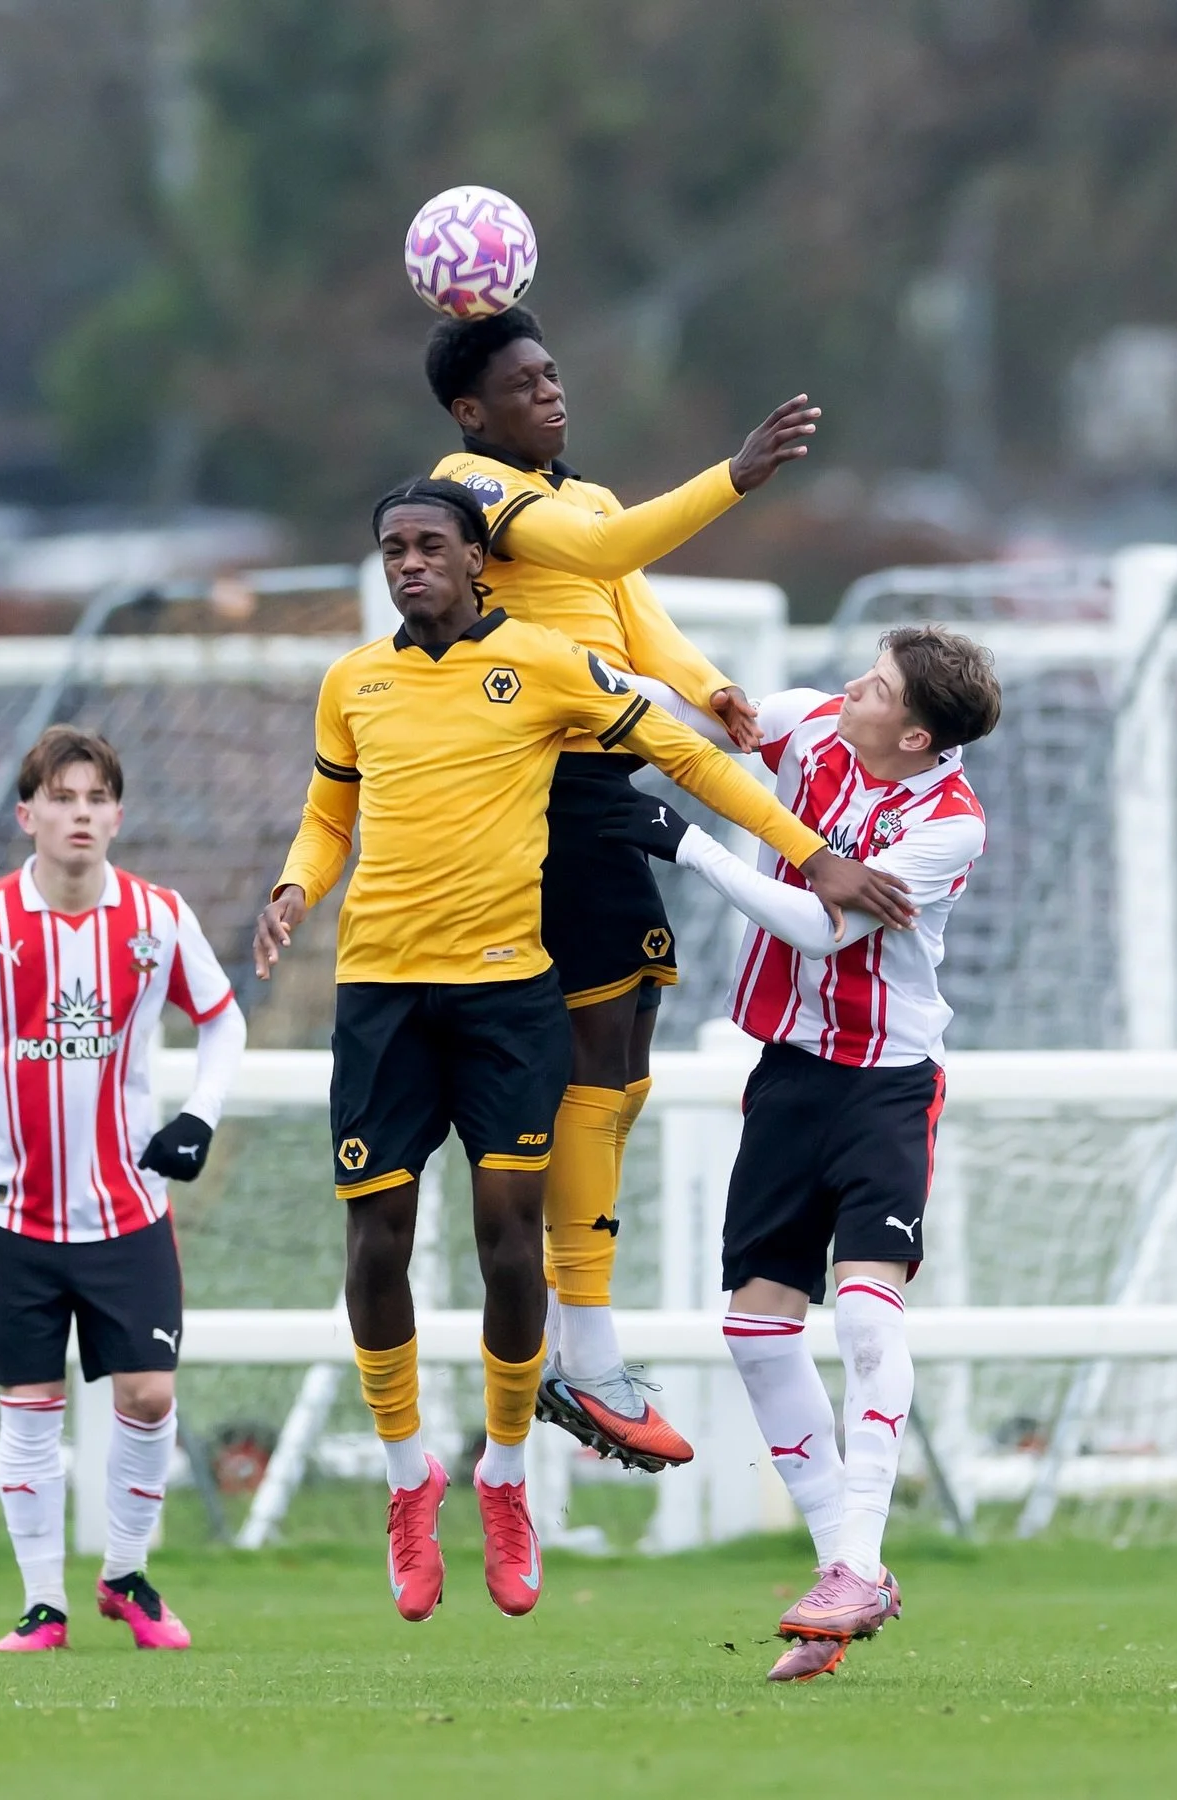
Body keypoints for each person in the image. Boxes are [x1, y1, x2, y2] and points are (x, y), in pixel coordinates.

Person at [253, 479, 911, 1624]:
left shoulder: (550, 666)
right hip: (381, 994)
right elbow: (330, 814)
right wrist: (294, 886)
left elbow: (691, 756)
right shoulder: (353, 680)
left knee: (511, 1243)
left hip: (508, 994)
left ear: (476, 562)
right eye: (394, 550)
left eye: (430, 547)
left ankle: (505, 1477)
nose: (410, 565)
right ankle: (413, 1481)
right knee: (376, 1242)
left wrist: (813, 855)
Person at [426, 305, 825, 1471]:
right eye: (525, 380)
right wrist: (734, 478)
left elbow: (633, 603)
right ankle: (580, 1355)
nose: (552, 393)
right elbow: (600, 560)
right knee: (580, 1062)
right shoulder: (471, 486)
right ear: (470, 409)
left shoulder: (582, 491)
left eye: (555, 373)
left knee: (621, 1059)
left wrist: (712, 687)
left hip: (604, 789)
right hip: (540, 785)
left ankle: (577, 1347)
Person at [600, 625, 1001, 1682]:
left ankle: (859, 1561)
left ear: (912, 733)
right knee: (756, 1331)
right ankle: (842, 1577)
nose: (847, 688)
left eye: (873, 685)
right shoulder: (815, 727)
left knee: (867, 1311)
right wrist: (585, 673)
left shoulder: (947, 825)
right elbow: (692, 718)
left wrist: (682, 841)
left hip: (886, 1082)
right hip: (787, 1071)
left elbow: (823, 929)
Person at [0, 726, 246, 1653]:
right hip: (17, 1217)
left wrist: (198, 1117)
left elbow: (224, 1023)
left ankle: (125, 1578)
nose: (79, 813)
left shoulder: (158, 917)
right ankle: (42, 1604)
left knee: (148, 1394)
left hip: (128, 1212)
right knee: (30, 1405)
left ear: (117, 815)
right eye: (62, 798)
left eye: (95, 799)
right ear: (28, 814)